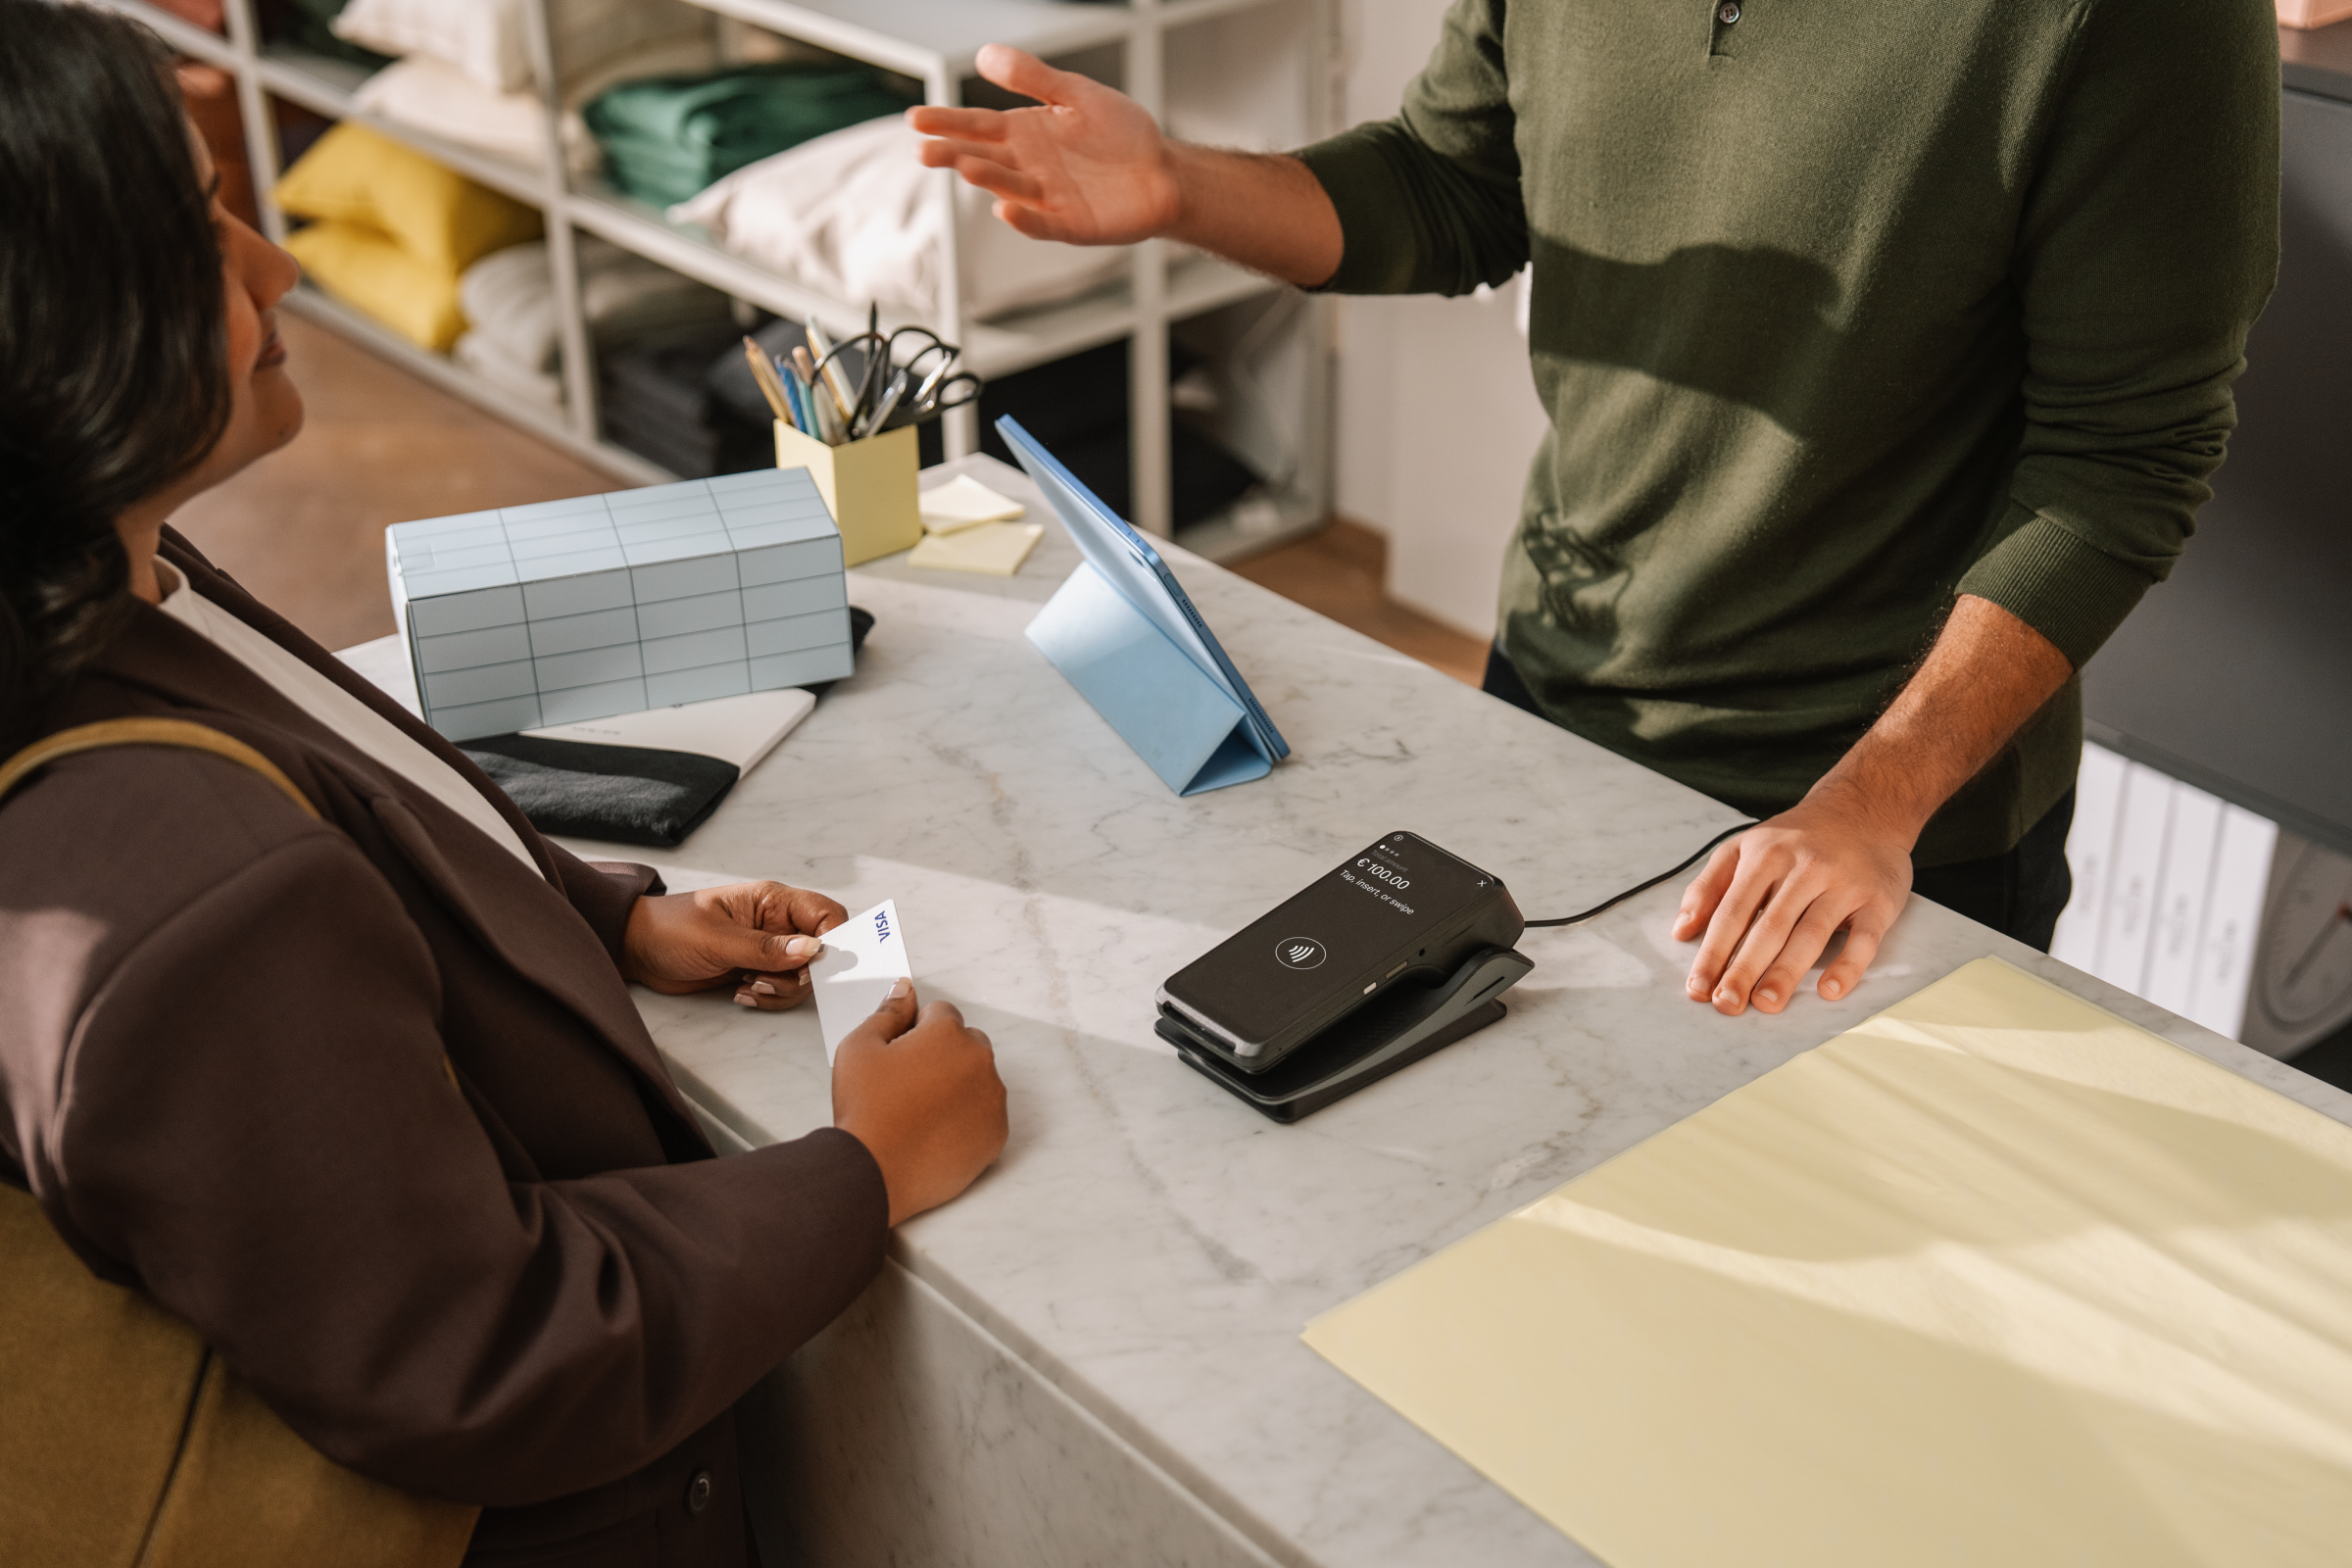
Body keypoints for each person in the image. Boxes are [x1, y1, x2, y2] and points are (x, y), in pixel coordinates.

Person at [0, 6, 1006, 1564]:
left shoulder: (112, 585)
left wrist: (603, 922)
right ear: (60, 326)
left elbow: (365, 790)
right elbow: (494, 1353)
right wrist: (863, 1171)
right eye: (205, 231)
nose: (277, 267)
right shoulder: (188, 899)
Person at [909, 1, 2280, 1016]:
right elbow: (1451, 185)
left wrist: (1871, 803)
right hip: (1550, 711)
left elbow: (2123, 462)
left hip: (1868, 816)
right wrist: (1178, 187)